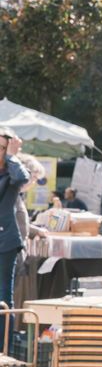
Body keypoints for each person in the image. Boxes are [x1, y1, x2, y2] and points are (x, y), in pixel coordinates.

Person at [0, 129, 30, 313]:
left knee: (3, 298)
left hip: (4, 241)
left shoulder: (11, 175)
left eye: (2, 148)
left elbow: (22, 177)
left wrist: (11, 156)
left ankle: (4, 342)